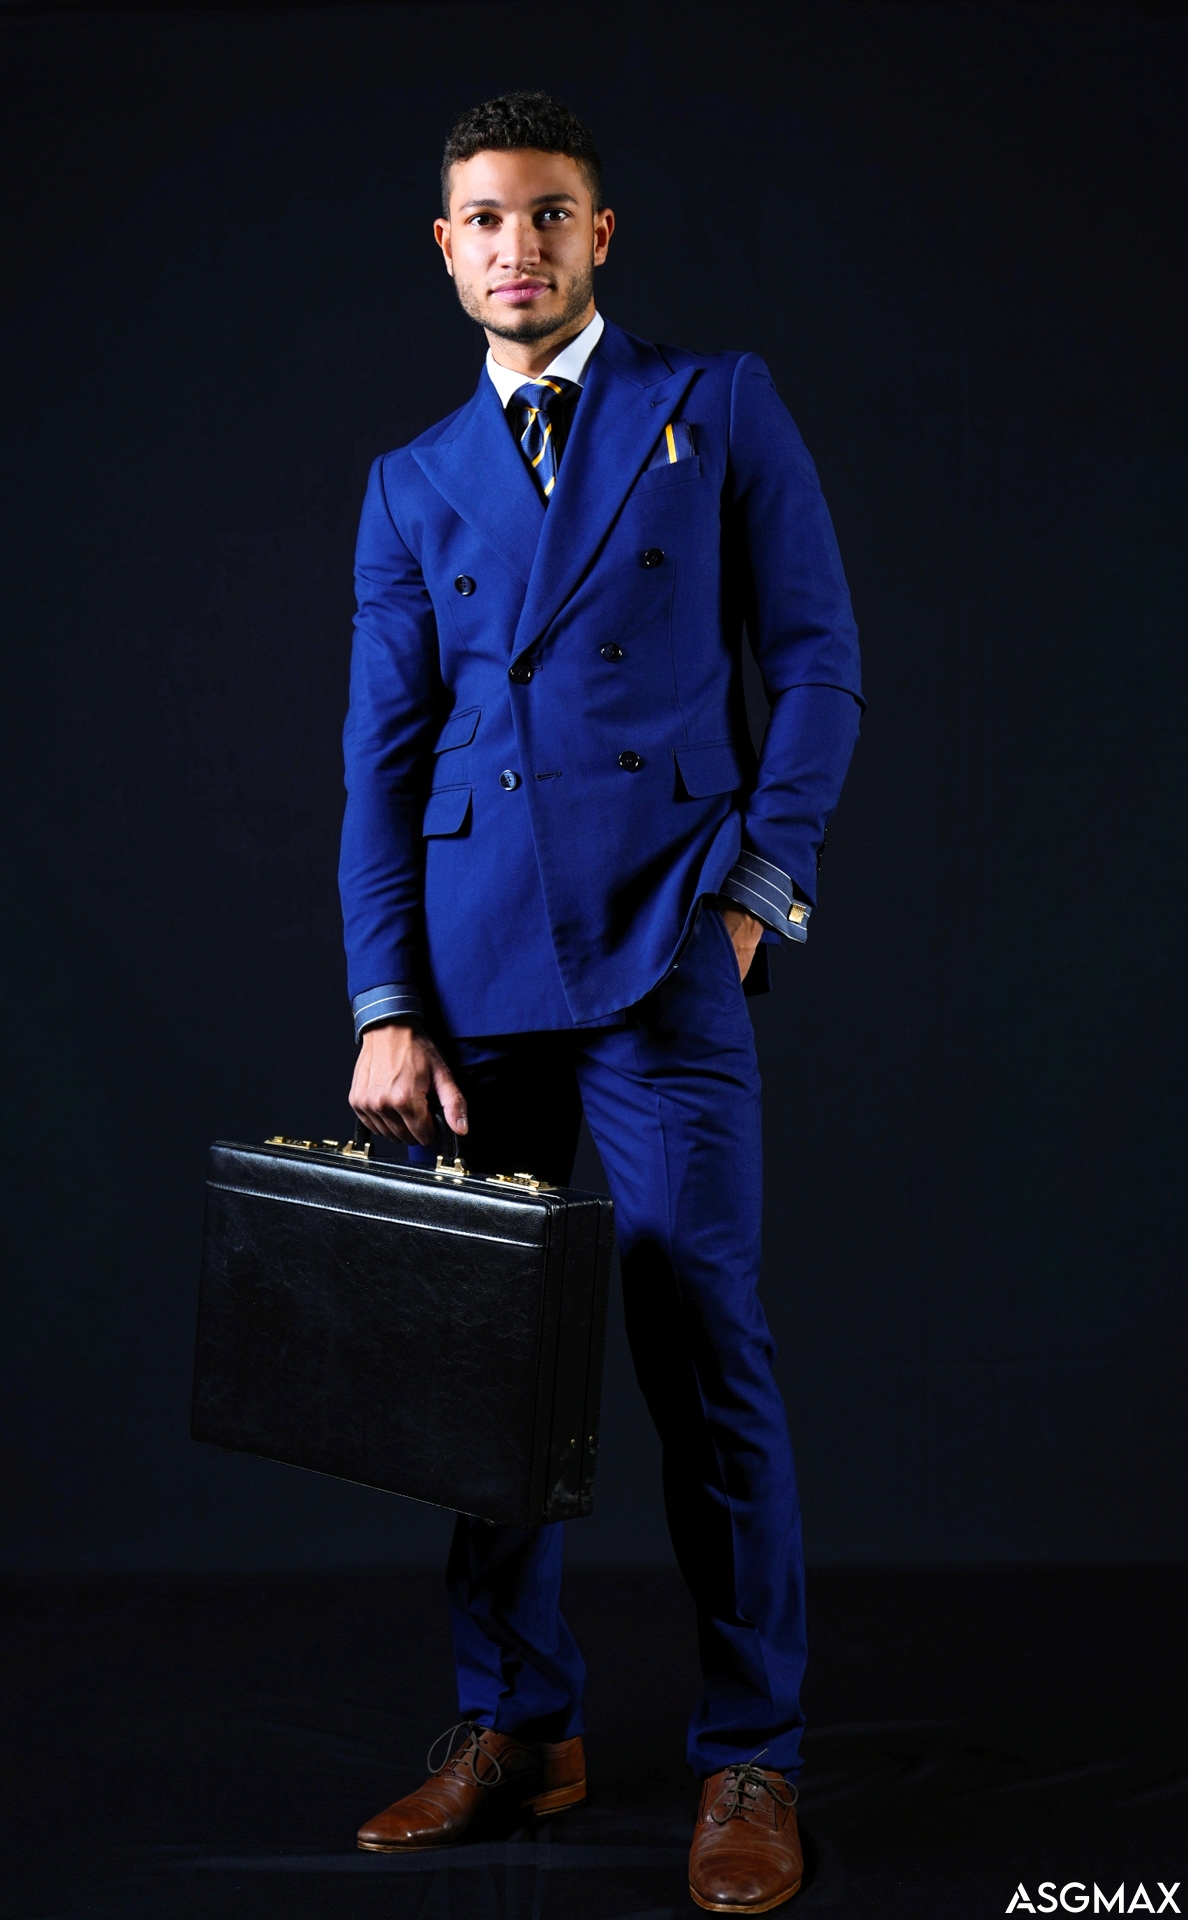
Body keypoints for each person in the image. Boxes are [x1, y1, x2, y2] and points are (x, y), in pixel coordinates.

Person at [338, 91, 861, 1915]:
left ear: (599, 233)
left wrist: (756, 892)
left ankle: (750, 1753)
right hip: (474, 978)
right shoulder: (412, 481)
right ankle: (516, 1728)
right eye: (485, 218)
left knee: (705, 1349)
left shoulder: (713, 404)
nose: (518, 246)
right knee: (487, 1366)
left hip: (665, 950)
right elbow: (382, 761)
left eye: (548, 213)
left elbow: (818, 661)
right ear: (447, 248)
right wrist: (387, 999)